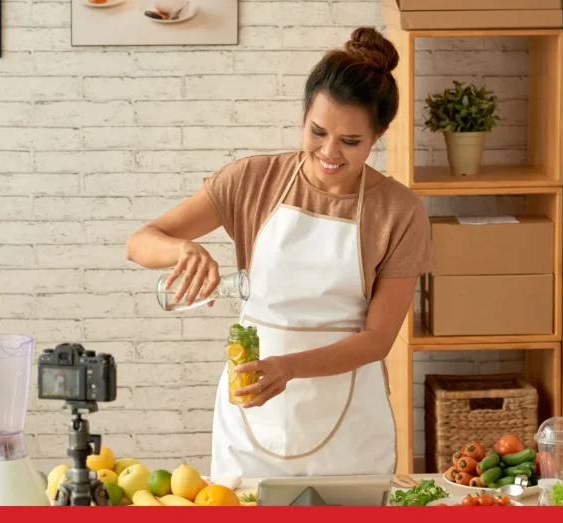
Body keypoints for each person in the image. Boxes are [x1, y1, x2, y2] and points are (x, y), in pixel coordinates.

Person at [125, 27, 433, 479]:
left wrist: (288, 367)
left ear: (379, 135)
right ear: (304, 113)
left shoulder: (399, 212)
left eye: (351, 142)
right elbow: (140, 242)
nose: (329, 152)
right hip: (253, 410)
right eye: (318, 131)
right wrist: (182, 249)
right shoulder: (252, 180)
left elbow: (377, 339)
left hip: (349, 420)